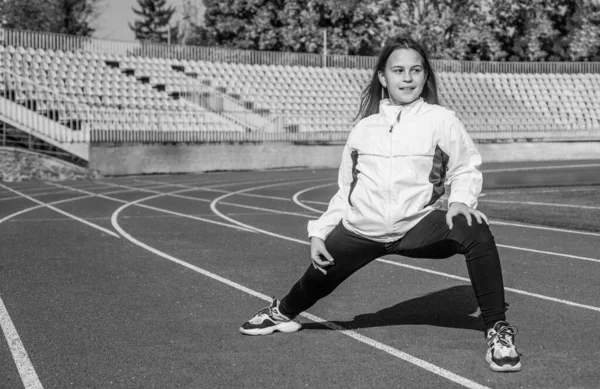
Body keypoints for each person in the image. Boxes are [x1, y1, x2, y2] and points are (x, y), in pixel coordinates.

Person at [239, 35, 522, 373]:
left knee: (476, 229)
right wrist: (321, 231)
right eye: (398, 70)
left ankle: (497, 330)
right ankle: (281, 312)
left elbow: (465, 166)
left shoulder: (441, 120)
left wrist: (460, 200)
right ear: (382, 77)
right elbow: (346, 189)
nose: (408, 78)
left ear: (425, 76)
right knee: (319, 274)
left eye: (416, 70)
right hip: (362, 228)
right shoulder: (363, 129)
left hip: (416, 226)